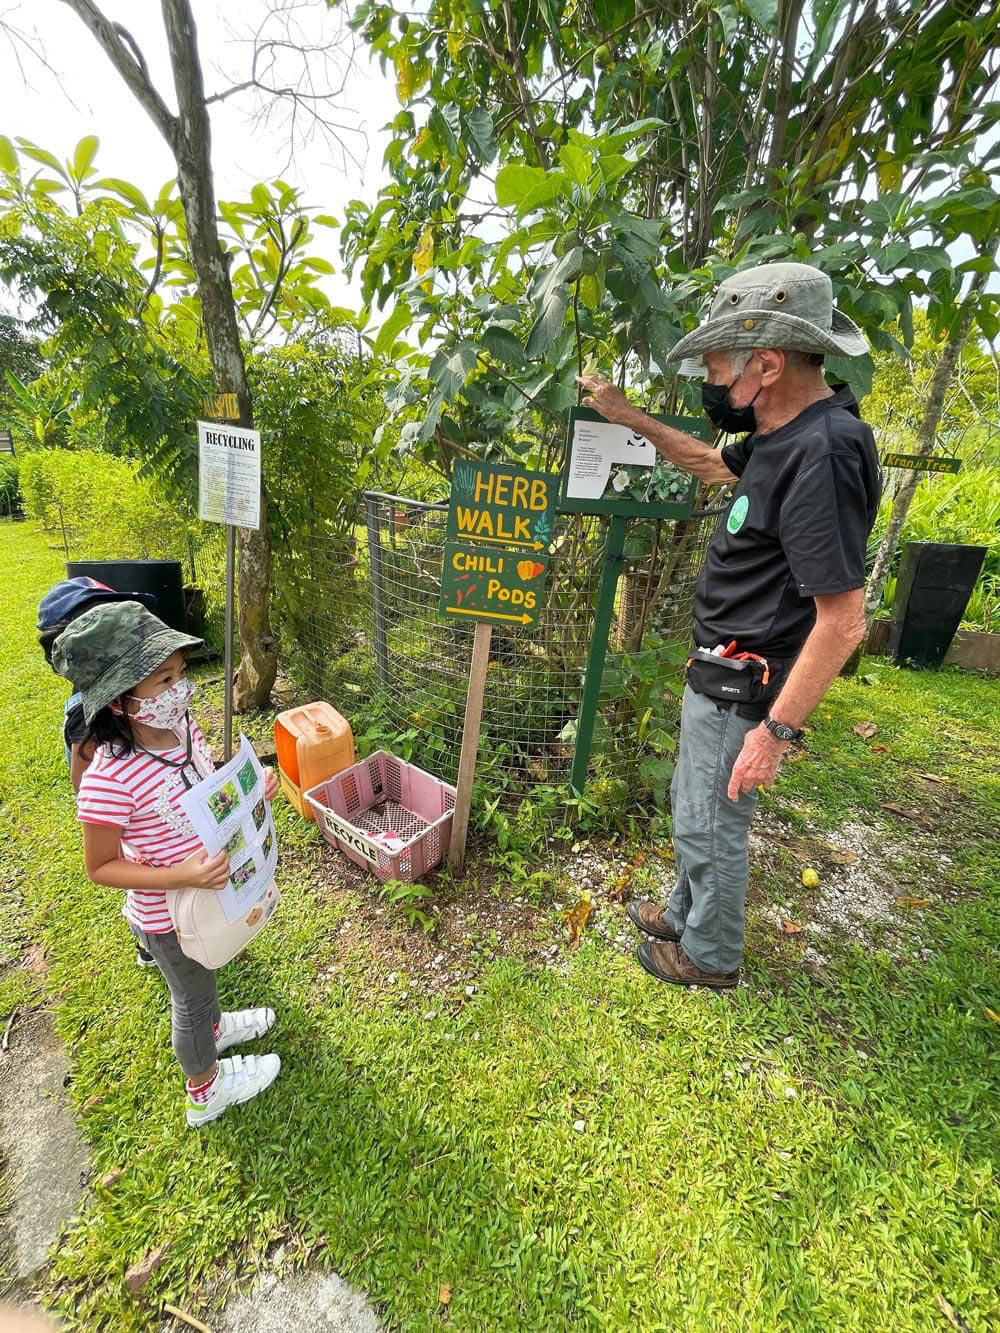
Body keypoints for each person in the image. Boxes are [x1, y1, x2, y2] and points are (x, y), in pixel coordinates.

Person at [578, 261, 881, 990]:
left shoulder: (823, 451)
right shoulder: (782, 435)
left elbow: (843, 621)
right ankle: (687, 913)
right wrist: (623, 415)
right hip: (718, 668)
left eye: (717, 369)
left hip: (749, 683)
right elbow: (713, 466)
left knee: (714, 824)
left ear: (768, 365)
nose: (711, 386)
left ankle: (709, 956)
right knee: (695, 811)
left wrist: (775, 734)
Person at [52, 600, 282, 1126]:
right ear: (117, 702)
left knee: (204, 976)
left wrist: (250, 791)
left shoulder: (184, 730)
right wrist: (181, 876)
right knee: (192, 1001)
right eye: (163, 680)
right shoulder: (108, 780)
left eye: (181, 673)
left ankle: (218, 1028)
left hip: (206, 894)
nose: (180, 689)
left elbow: (204, 787)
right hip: (167, 915)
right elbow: (100, 867)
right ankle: (205, 1089)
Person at [38, 577, 161, 968]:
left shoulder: (114, 697)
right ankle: (149, 944)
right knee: (140, 874)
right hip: (123, 814)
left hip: (136, 803)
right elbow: (85, 783)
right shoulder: (88, 718)